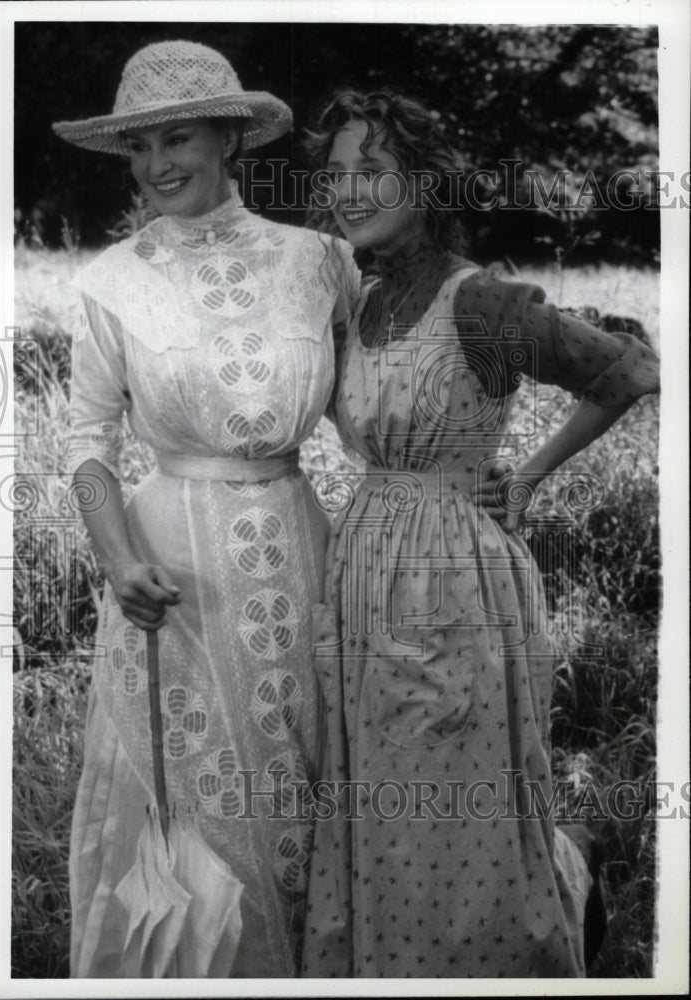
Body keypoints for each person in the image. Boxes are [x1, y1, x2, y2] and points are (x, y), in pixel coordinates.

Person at [300, 90, 660, 977]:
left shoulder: (479, 302)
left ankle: (531, 929)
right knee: (378, 797)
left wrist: (526, 477)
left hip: (450, 581)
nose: (348, 190)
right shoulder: (361, 303)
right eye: (337, 172)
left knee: (450, 797)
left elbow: (629, 368)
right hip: (363, 563)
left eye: (372, 170)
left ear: (422, 185)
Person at [53, 41, 358, 978]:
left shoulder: (322, 261)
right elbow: (85, 442)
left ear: (230, 136)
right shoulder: (110, 280)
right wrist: (116, 559)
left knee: (307, 756)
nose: (155, 167)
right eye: (138, 148)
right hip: (172, 570)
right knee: (194, 787)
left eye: (176, 138)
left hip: (302, 544)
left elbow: (371, 417)